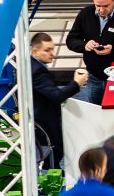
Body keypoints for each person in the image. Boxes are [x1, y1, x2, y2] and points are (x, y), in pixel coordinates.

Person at [30, 32, 88, 168]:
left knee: (57, 152)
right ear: (35, 51)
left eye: (52, 49)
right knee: (57, 151)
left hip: (44, 115)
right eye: (47, 50)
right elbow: (56, 96)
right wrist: (76, 83)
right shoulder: (38, 72)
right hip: (45, 119)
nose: (52, 53)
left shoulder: (35, 66)